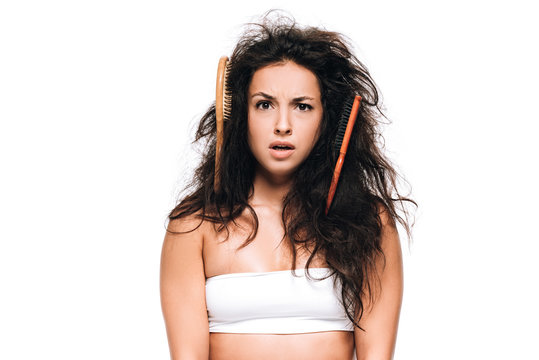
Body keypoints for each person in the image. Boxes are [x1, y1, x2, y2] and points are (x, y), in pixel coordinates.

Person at [160, 12, 415, 360]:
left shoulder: (369, 223)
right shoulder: (194, 226)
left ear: (328, 121)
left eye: (302, 106)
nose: (283, 125)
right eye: (264, 105)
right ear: (238, 115)